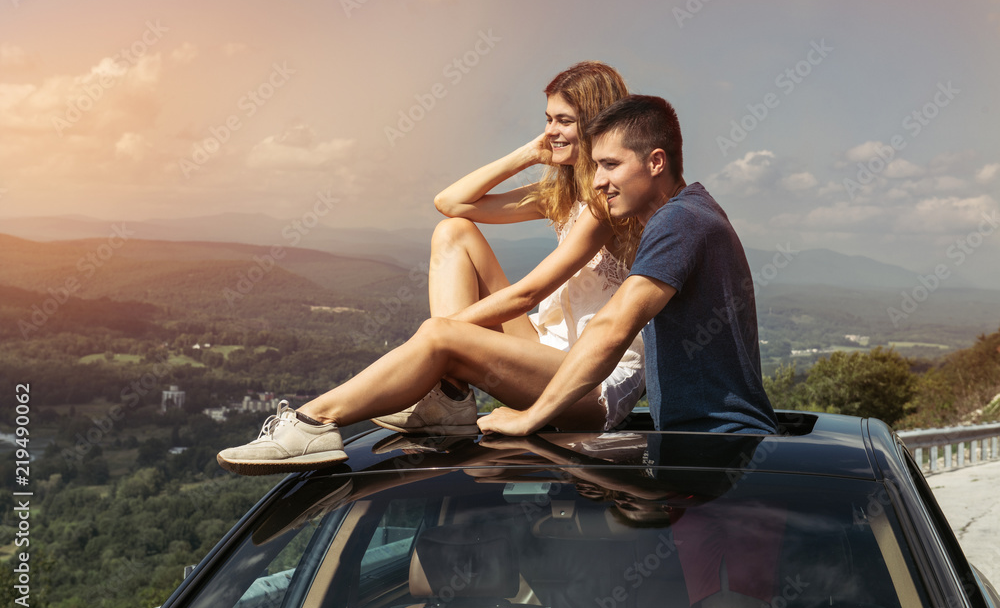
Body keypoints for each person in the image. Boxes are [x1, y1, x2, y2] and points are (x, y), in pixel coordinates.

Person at [217, 62, 646, 475]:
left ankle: (313, 422)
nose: (550, 130)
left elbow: (526, 295)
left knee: (440, 333)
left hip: (588, 383)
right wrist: (529, 153)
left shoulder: (607, 203)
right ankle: (451, 395)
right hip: (545, 351)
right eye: (548, 119)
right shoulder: (563, 196)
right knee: (453, 232)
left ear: (596, 124)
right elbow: (452, 203)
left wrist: (439, 337)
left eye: (564, 121)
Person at [477, 94, 778, 437]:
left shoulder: (678, 219)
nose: (596, 181)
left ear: (655, 162)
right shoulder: (694, 212)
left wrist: (530, 417)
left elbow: (612, 328)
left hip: (719, 444)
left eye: (610, 165)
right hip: (707, 443)